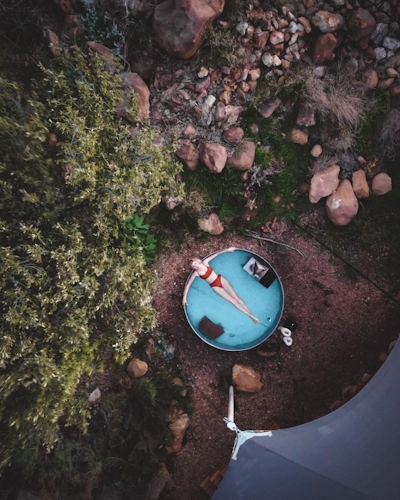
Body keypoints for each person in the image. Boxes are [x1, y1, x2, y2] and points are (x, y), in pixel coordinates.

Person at [182, 247, 259, 324]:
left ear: (198, 262)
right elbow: (188, 284)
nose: (196, 266)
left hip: (220, 279)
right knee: (232, 301)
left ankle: (250, 314)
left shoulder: (205, 262)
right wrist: (184, 297)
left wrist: (227, 250)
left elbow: (216, 254)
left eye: (195, 264)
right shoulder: (196, 273)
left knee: (236, 297)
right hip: (215, 286)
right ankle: (250, 316)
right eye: (193, 266)